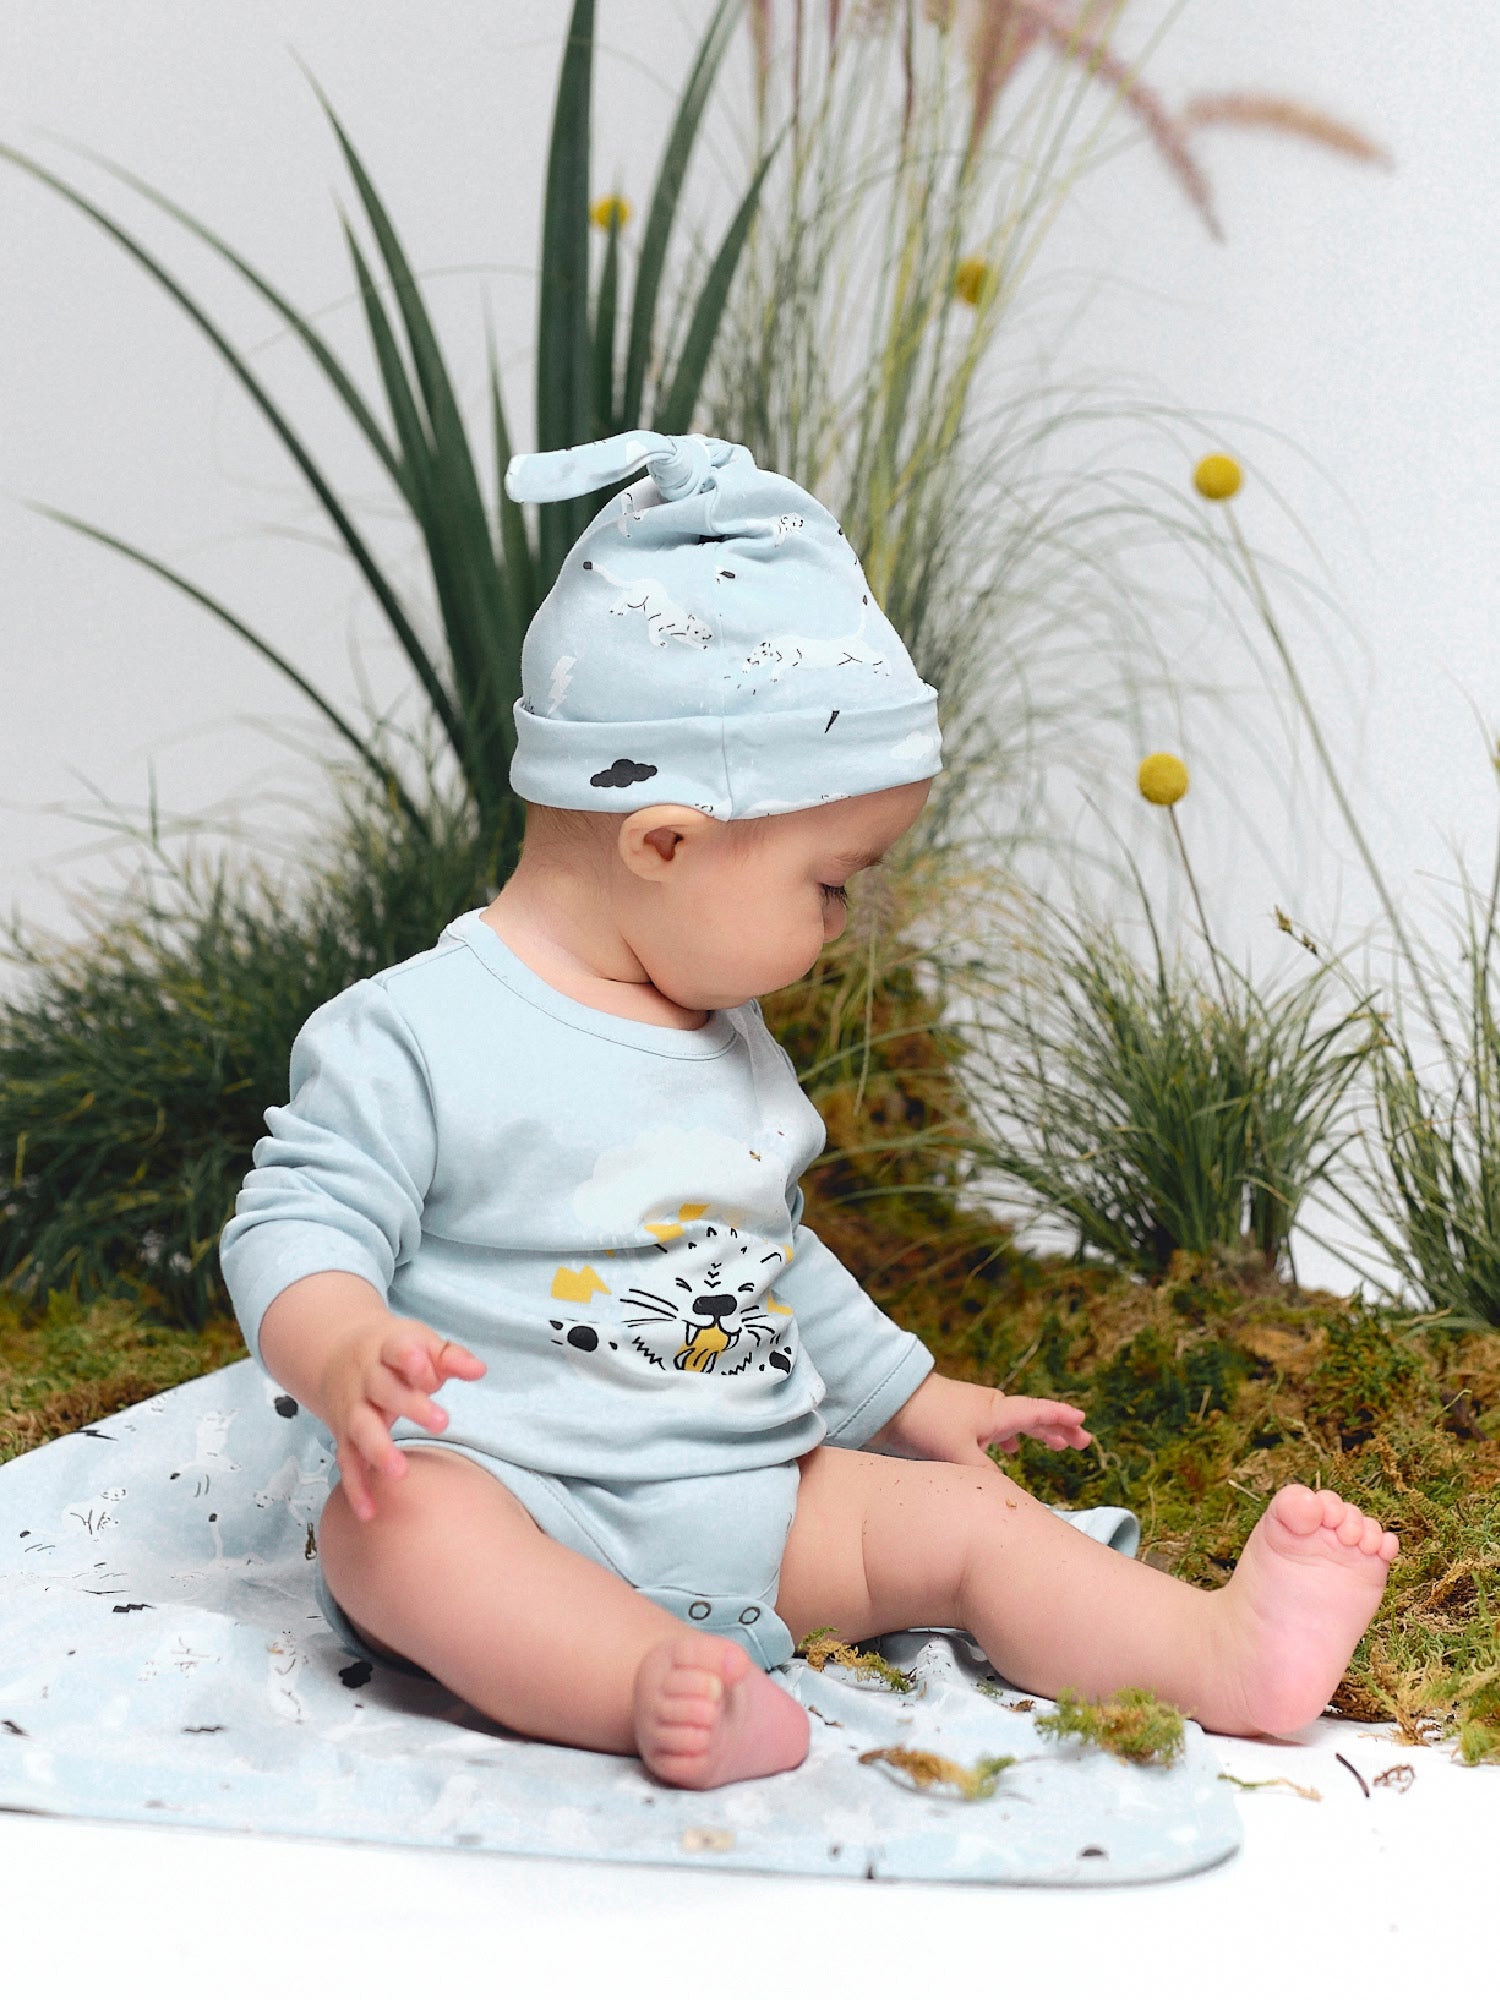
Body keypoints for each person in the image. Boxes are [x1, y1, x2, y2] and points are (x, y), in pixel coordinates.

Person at [220, 430, 1397, 1792]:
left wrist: (912, 1397)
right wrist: (343, 1342)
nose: (840, 926)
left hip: (763, 1501)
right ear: (665, 843)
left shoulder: (725, 1041)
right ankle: (640, 1683)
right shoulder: (416, 1032)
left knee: (967, 1519)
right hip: (527, 1497)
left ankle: (1222, 1651)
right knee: (395, 1536)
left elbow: (765, 1255)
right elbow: (291, 1223)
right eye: (829, 884)